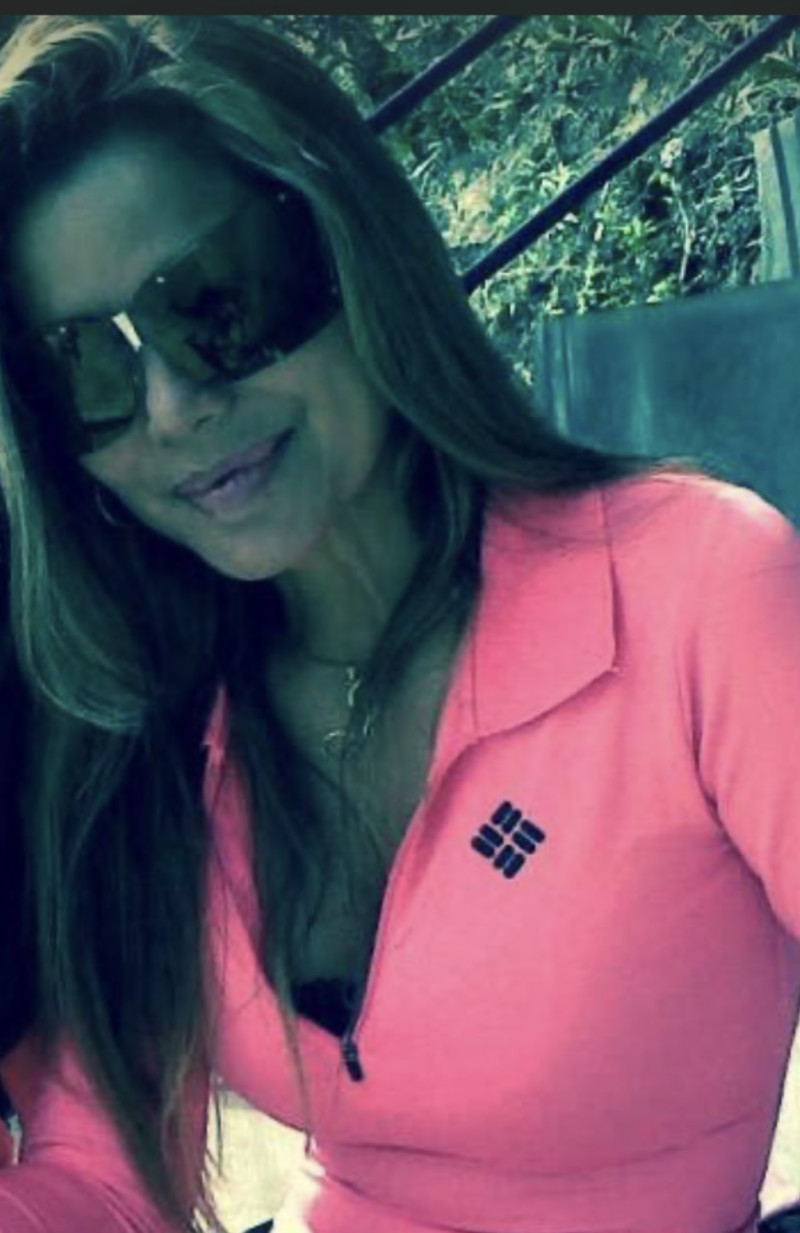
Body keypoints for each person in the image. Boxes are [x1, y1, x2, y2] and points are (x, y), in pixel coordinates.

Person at [0, 13, 799, 1233]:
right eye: (85, 372)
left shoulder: (694, 589)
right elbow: (103, 1182)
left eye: (215, 300)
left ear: (349, 250)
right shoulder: (143, 713)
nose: (172, 406)